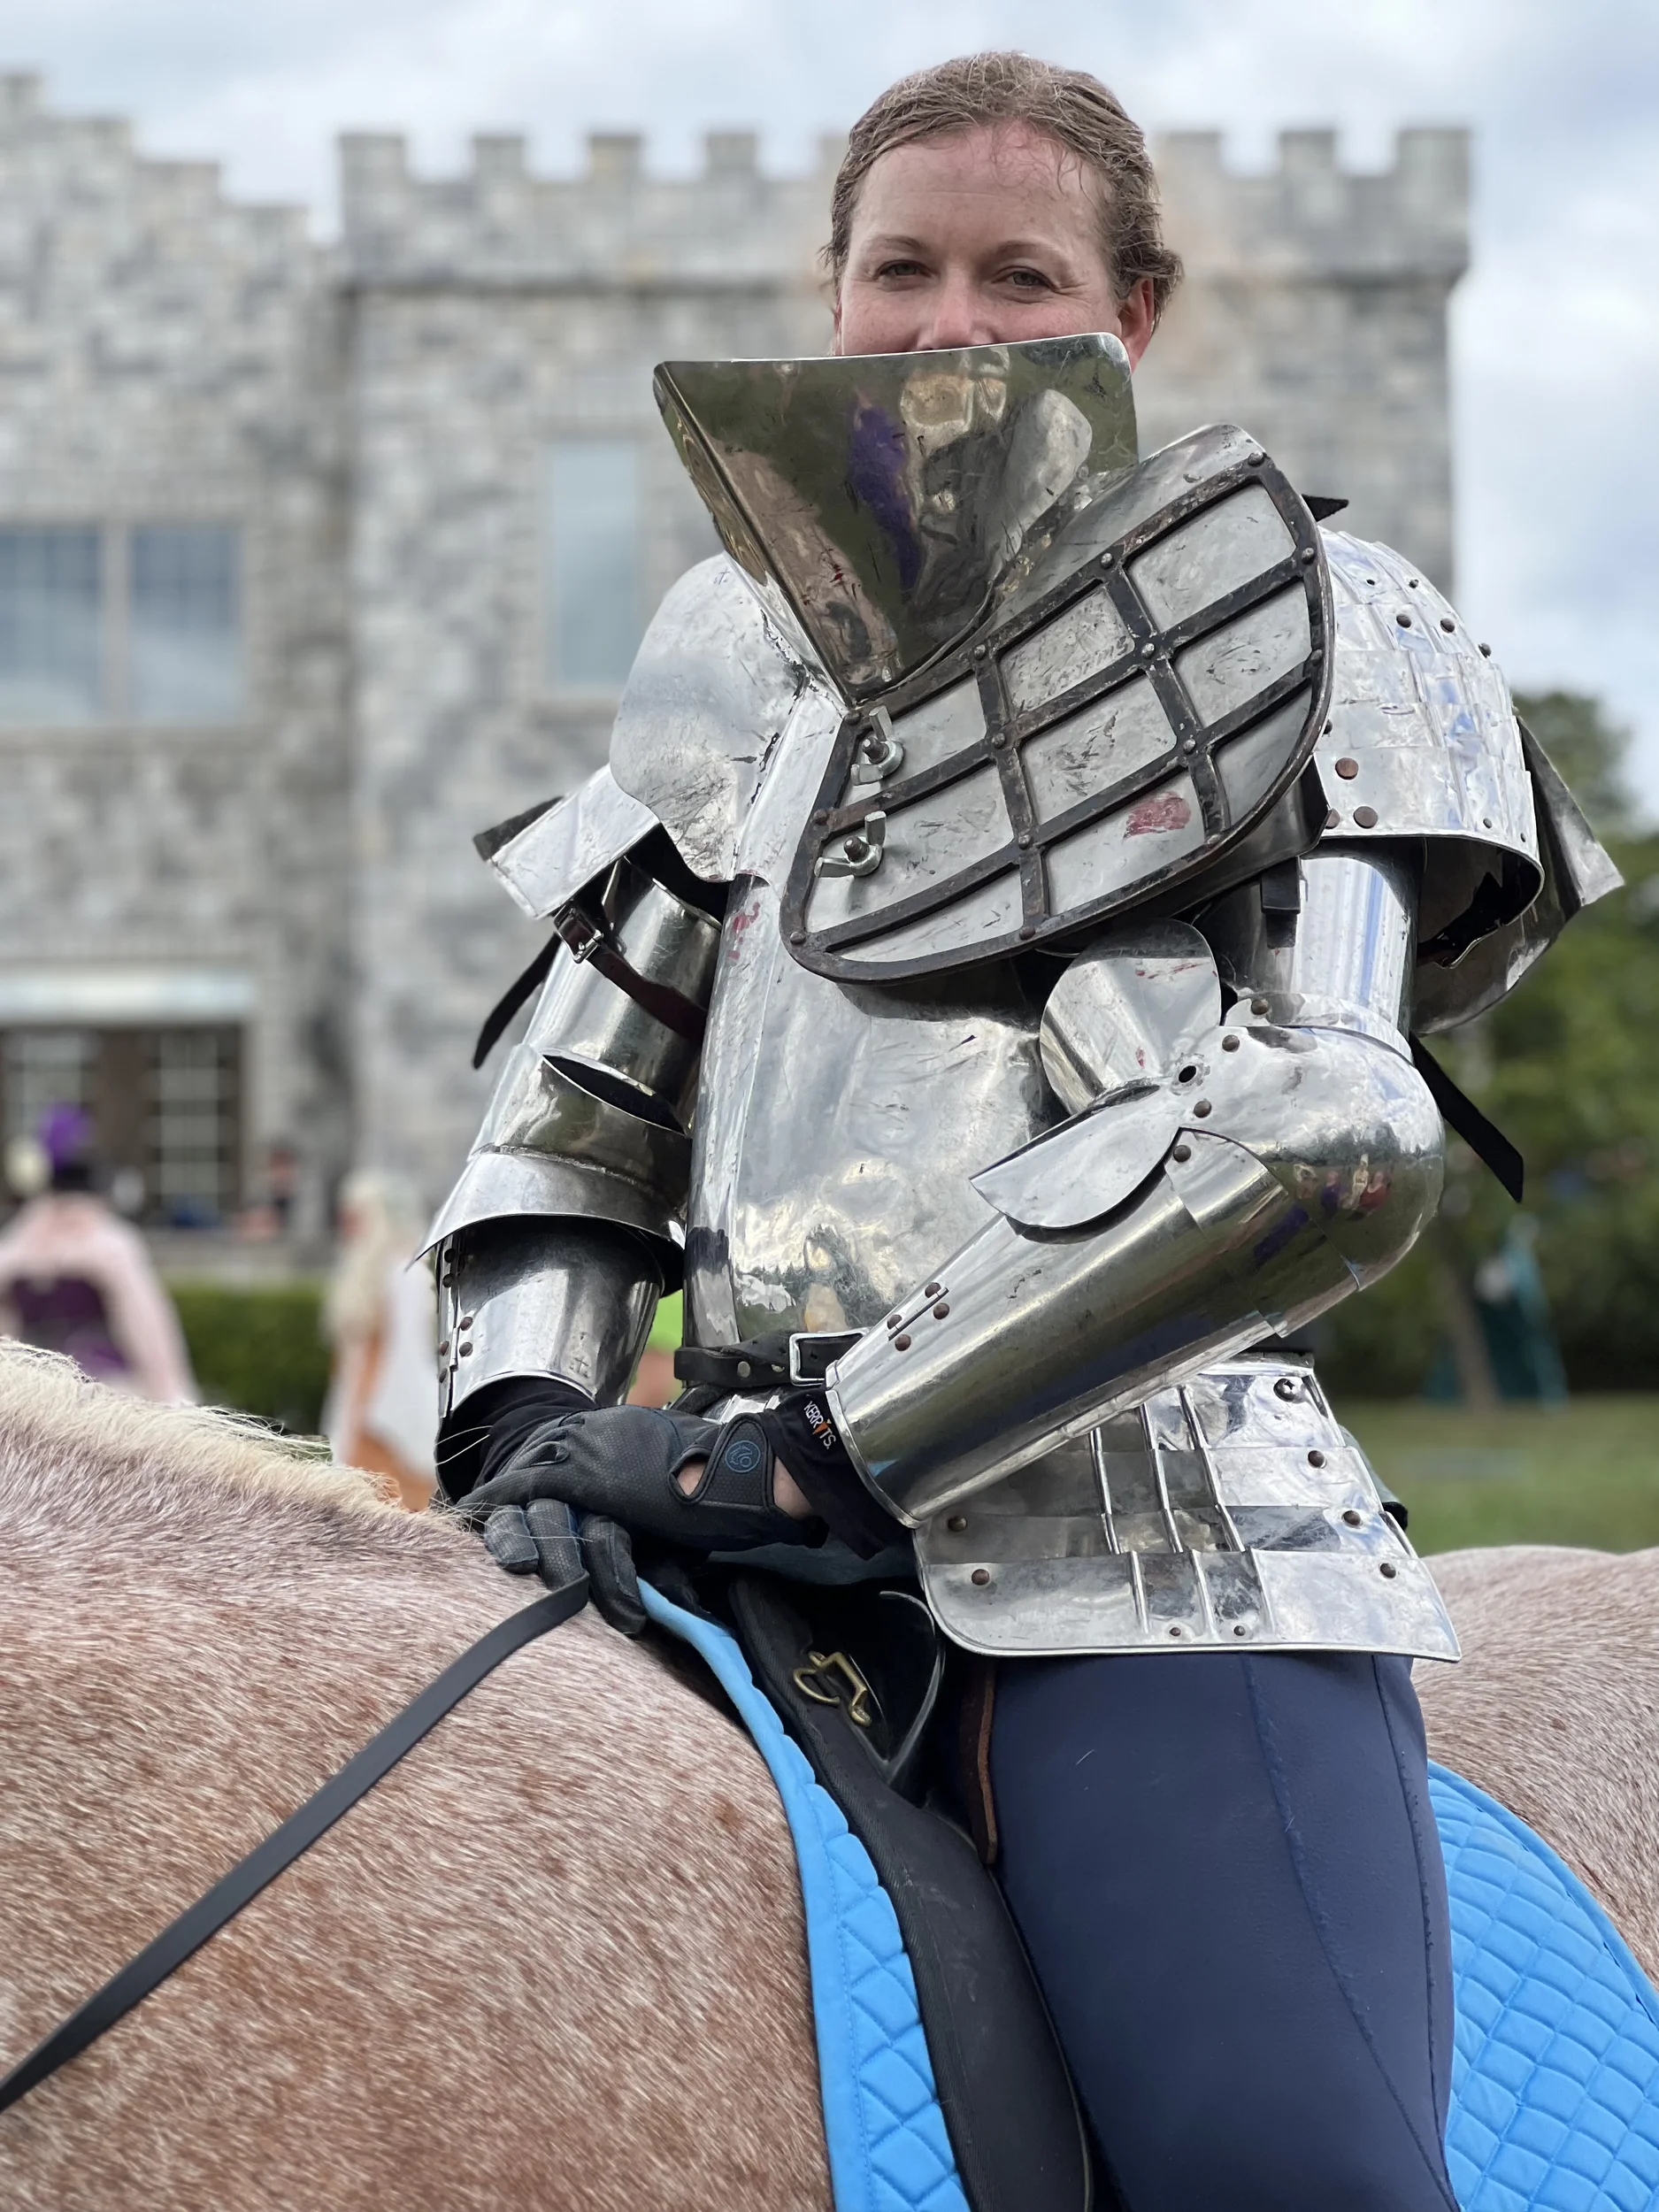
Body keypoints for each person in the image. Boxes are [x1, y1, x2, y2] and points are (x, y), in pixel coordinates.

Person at [424, 54, 1617, 2212]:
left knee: (1287, 2172)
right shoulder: (727, 667)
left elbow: (1320, 1131)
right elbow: (572, 1119)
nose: (946, 321)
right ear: (830, 290)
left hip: (1150, 1548)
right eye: (900, 268)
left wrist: (812, 1446)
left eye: (1016, 270)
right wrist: (523, 1434)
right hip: (704, 1531)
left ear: (1124, 316)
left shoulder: (1324, 616)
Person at [0, 1102, 196, 1402]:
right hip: (99, 1394)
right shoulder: (111, 1241)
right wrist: (172, 1397)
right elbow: (146, 1329)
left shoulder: (19, 1239)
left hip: (28, 1389)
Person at [322, 1170, 439, 1510]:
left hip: (388, 1414)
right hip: (363, 1409)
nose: (348, 1228)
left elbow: (402, 1352)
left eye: (356, 1218)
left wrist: (375, 1417)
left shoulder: (404, 1272)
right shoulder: (373, 1272)